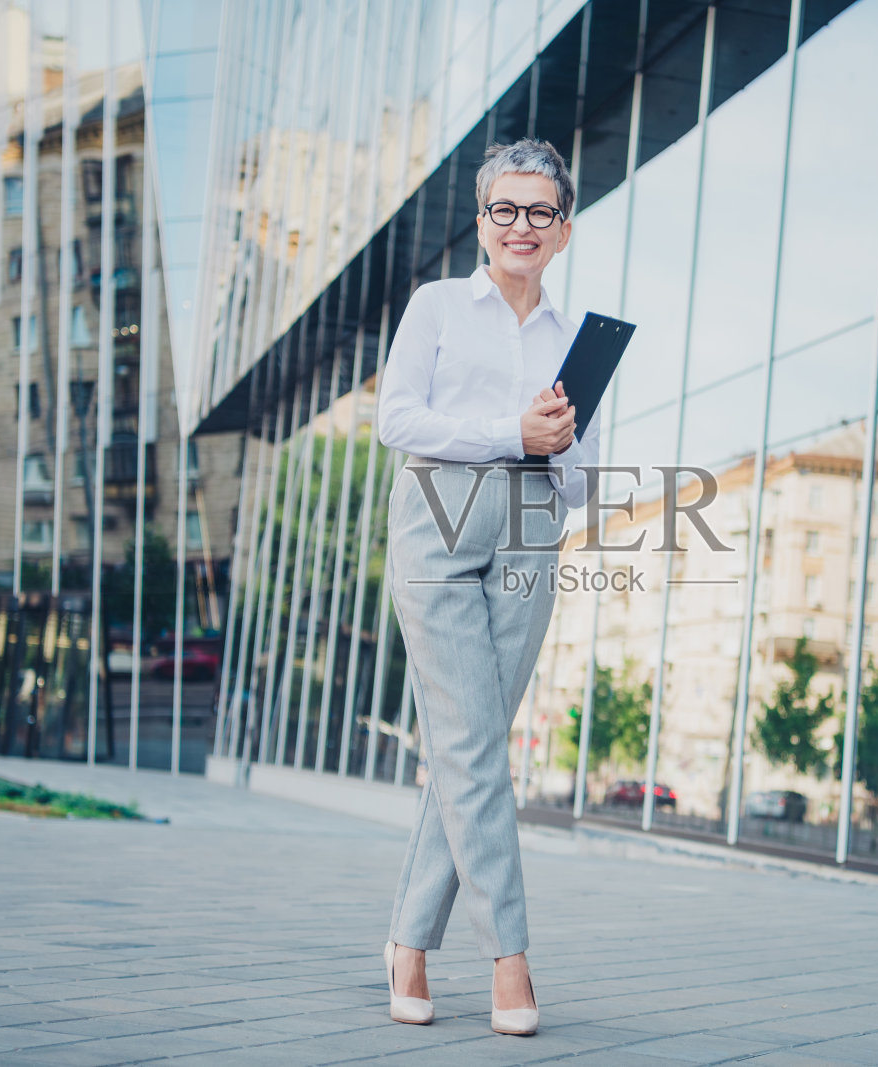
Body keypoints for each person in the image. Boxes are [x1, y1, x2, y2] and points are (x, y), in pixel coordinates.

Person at [376, 138, 599, 1037]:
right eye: (505, 210)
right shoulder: (435, 306)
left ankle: (406, 942)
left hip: (531, 529)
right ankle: (510, 957)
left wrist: (559, 442)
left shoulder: (570, 339)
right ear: (482, 223)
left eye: (539, 212)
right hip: (435, 519)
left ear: (563, 231)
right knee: (470, 746)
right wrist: (513, 430)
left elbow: (580, 478)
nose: (521, 225)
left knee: (467, 748)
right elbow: (398, 419)